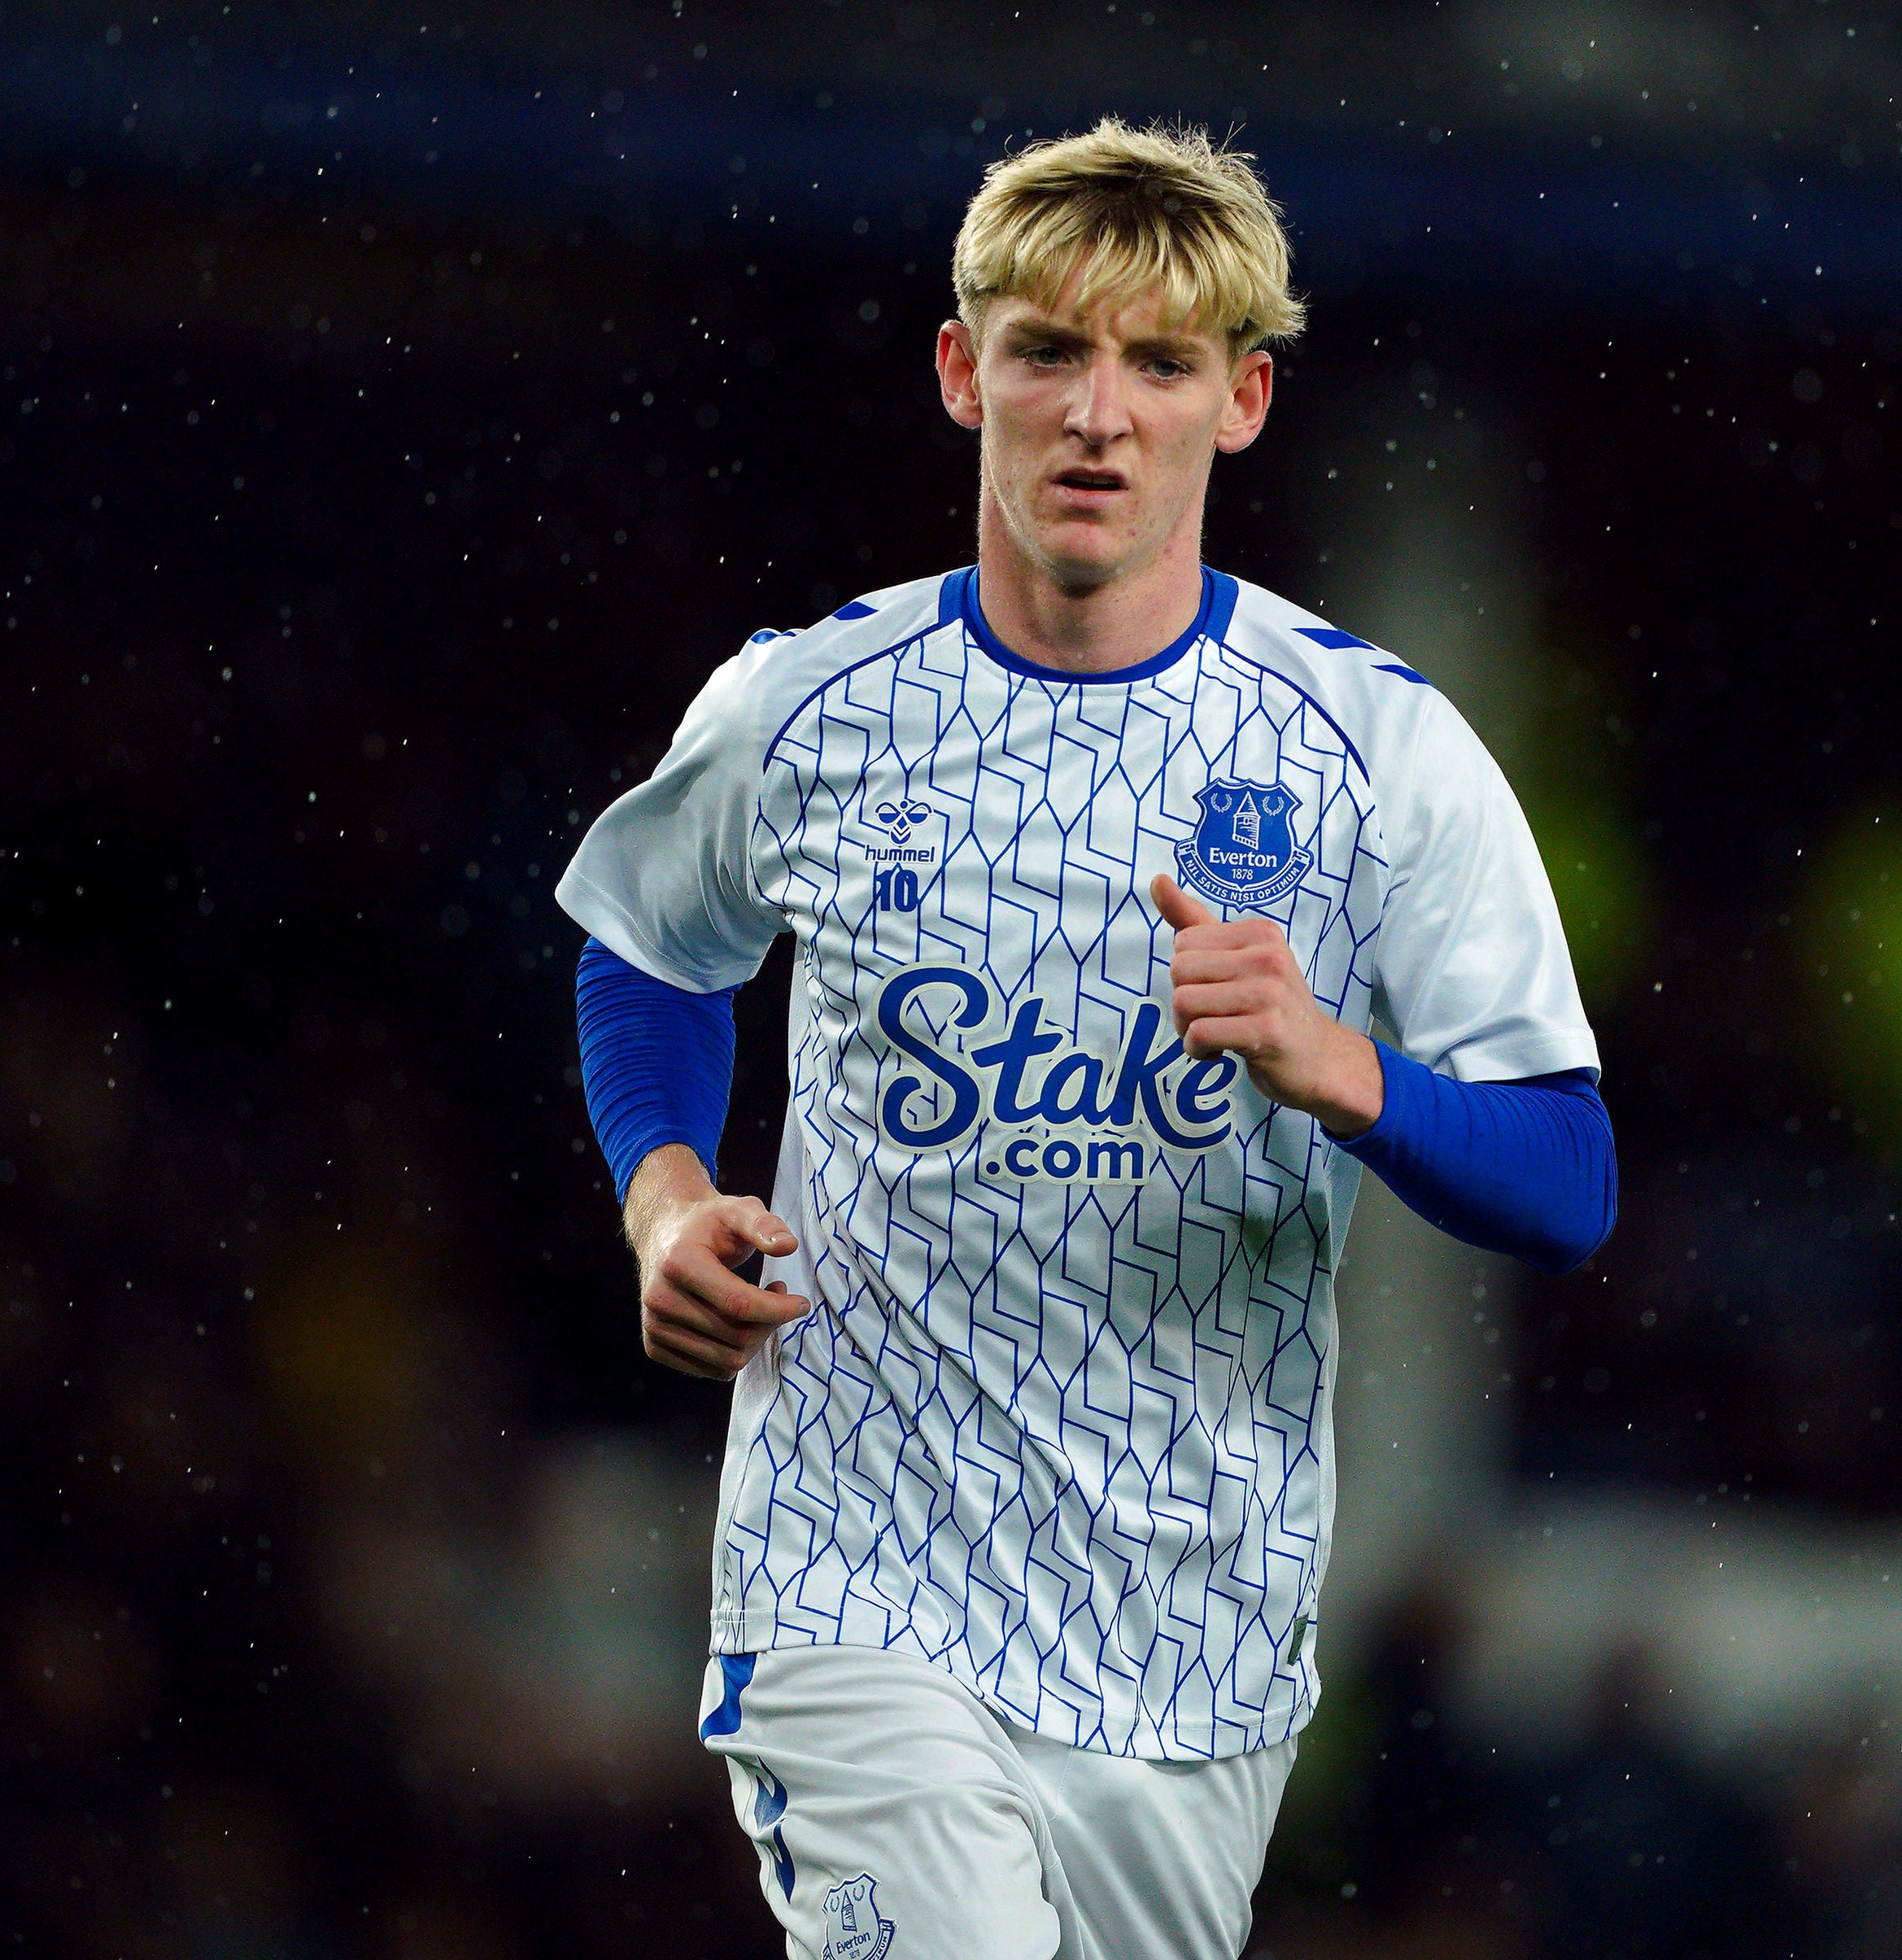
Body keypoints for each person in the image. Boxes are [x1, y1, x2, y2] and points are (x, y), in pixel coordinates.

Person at [556, 117, 1617, 1960]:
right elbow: (649, 943)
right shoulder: (805, 705)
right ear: (967, 373)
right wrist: (662, 1194)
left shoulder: (1382, 756)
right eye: (1050, 351)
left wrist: (1338, 1066)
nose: (1096, 413)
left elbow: (1570, 1179)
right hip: (851, 1579)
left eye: (1159, 363)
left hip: (1192, 1628)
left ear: (1245, 400)